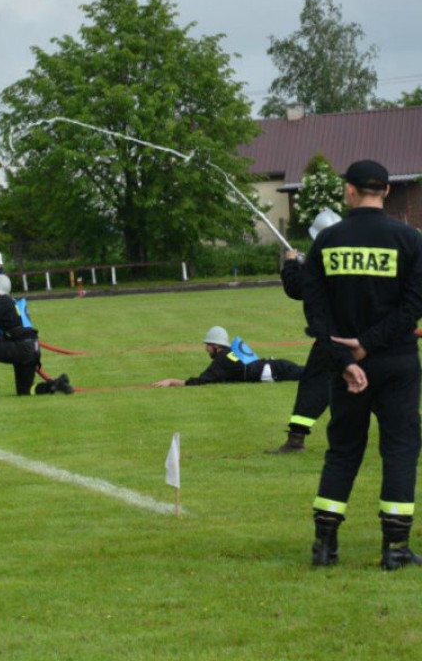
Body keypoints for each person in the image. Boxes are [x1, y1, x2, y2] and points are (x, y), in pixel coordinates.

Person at [300, 159, 422, 570]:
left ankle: (325, 546)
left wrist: (345, 358)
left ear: (349, 191)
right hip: (398, 363)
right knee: (401, 449)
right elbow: (413, 308)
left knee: (343, 449)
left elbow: (315, 312)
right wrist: (369, 345)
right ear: (386, 191)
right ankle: (396, 549)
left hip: (343, 366)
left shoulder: (327, 242)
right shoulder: (409, 240)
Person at [268, 208, 342, 454]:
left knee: (314, 385)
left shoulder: (317, 260)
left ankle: (296, 439)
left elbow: (296, 289)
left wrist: (290, 263)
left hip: (330, 337)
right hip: (364, 334)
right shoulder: (350, 256)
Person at [152, 326, 304, 387]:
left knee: (317, 374)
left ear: (216, 346)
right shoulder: (231, 351)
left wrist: (171, 381)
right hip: (277, 365)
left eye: (208, 345)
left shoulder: (222, 359)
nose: (206, 349)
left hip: (276, 372)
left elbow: (200, 381)